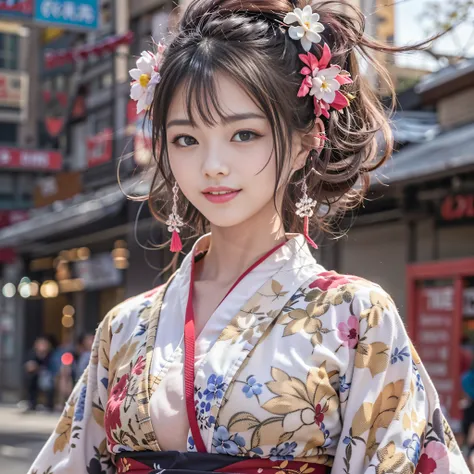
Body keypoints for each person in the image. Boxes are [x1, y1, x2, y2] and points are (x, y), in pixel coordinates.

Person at [29, 0, 469, 473]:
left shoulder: (356, 316)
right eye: (186, 139)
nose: (212, 164)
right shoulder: (123, 326)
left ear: (305, 143)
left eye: (244, 134)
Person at [24, 335, 55, 412]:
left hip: (48, 375)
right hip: (35, 375)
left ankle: (49, 405)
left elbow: (52, 367)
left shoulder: (51, 354)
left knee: (48, 381)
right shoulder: (32, 353)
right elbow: (28, 365)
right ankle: (32, 403)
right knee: (31, 379)